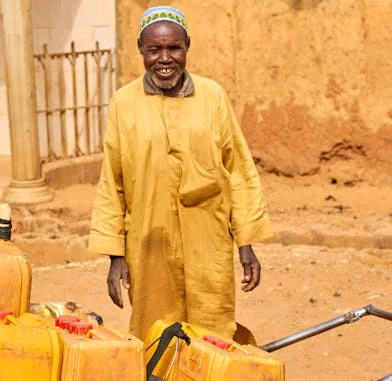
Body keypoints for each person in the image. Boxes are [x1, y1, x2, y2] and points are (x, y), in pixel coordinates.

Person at [88, 6, 272, 342]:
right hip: (149, 239)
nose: (164, 58)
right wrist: (115, 255)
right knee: (155, 329)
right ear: (141, 50)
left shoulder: (213, 96)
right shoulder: (123, 103)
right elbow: (111, 183)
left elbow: (239, 171)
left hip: (209, 238)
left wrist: (246, 242)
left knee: (211, 328)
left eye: (174, 48)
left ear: (187, 47)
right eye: (154, 49)